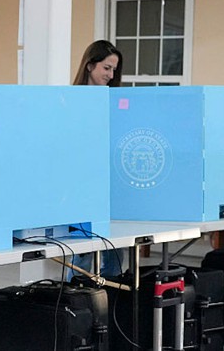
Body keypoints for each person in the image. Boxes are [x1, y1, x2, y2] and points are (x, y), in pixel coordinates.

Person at [71, 39, 124, 278]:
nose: (111, 75)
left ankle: (109, 307)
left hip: (110, 183)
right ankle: (76, 307)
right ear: (90, 66)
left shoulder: (115, 102)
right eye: (106, 68)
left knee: (115, 251)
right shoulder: (71, 100)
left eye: (114, 69)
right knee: (82, 253)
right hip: (80, 184)